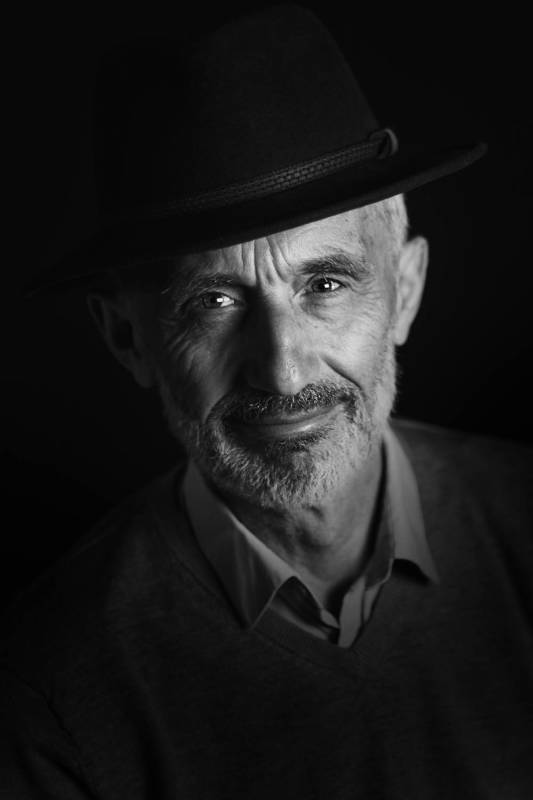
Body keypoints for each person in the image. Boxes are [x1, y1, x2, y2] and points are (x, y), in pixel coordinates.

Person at [2, 5, 532, 798]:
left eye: (326, 284)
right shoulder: (46, 690)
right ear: (126, 338)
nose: (281, 373)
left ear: (406, 289)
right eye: (213, 303)